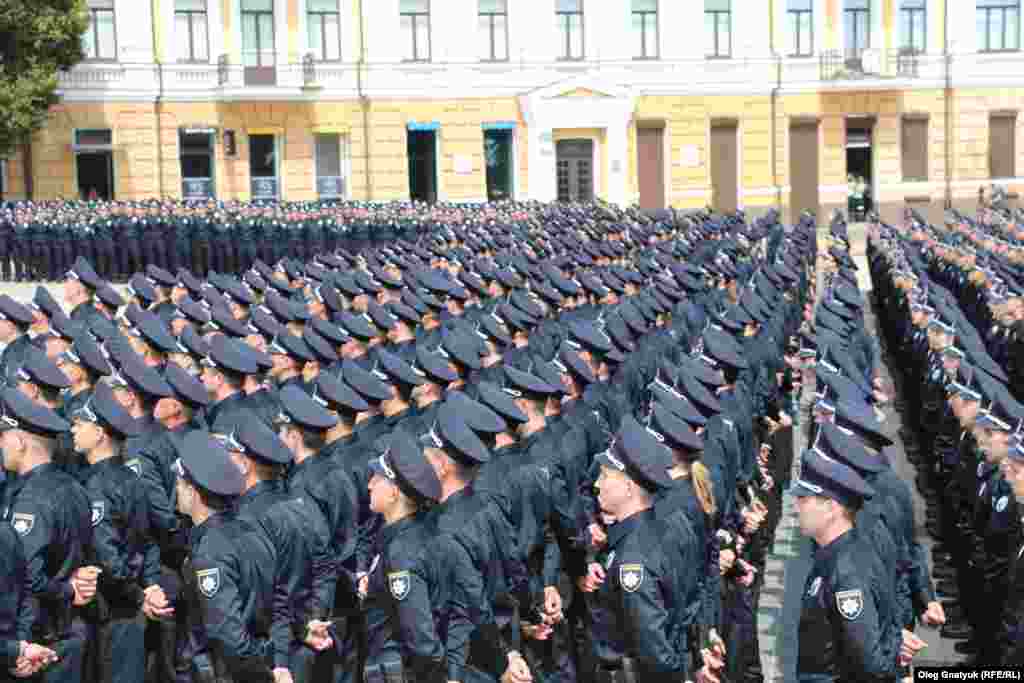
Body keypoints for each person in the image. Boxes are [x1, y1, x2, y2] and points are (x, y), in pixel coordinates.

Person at [794, 449, 927, 681]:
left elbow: (870, 665)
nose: (797, 507)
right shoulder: (838, 554)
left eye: (804, 500)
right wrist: (894, 638)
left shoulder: (847, 572)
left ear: (831, 508)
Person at [0, 387, 98, 683]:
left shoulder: (31, 499)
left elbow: (27, 577)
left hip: (39, 643)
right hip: (69, 631)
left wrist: (68, 591)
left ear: (19, 442)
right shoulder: (74, 486)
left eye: (3, 438)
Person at [70, 382, 160, 683]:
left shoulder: (97, 485)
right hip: (129, 605)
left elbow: (104, 556)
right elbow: (148, 541)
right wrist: (150, 586)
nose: (73, 429)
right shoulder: (131, 477)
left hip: (111, 609)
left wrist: (138, 595)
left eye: (80, 424)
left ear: (99, 433)